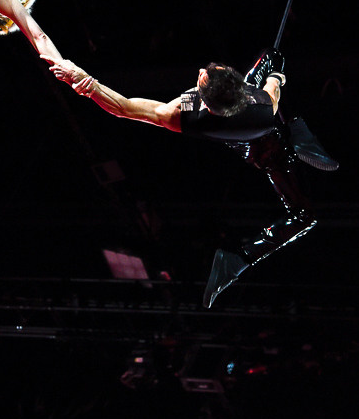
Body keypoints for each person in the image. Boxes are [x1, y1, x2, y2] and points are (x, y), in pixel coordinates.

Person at [43, 49, 338, 306]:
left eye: (205, 76)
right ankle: (296, 136)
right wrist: (277, 77)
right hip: (264, 136)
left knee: (271, 56)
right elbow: (273, 91)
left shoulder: (183, 117)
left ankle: (297, 141)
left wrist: (87, 83)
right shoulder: (261, 104)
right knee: (304, 216)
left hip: (252, 144)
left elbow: (123, 107)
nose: (200, 72)